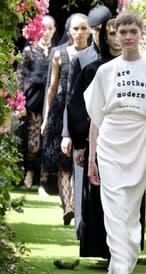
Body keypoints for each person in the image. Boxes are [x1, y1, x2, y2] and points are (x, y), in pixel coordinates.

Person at [84, 11, 146, 274]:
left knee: (131, 213)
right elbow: (95, 118)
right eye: (121, 32)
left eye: (132, 31)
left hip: (139, 141)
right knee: (113, 208)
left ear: (142, 33)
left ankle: (117, 267)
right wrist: (91, 158)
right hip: (110, 141)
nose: (126, 37)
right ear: (114, 35)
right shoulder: (105, 72)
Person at [68, 16, 120, 259]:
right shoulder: (93, 70)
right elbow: (78, 106)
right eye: (112, 33)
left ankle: (123, 249)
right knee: (99, 197)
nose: (118, 38)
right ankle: (103, 248)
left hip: (131, 144)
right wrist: (79, 143)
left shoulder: (145, 69)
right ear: (103, 37)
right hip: (98, 142)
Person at [62, 5, 113, 237]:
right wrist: (69, 134)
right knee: (83, 181)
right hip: (85, 131)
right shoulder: (82, 59)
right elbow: (71, 100)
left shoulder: (120, 58)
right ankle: (83, 230)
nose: (102, 34)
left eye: (106, 29)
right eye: (98, 30)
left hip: (112, 134)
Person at [41, 13, 90, 225]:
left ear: (89, 31)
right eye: (75, 28)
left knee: (80, 160)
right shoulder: (59, 54)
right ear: (69, 31)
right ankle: (67, 207)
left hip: (85, 112)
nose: (79, 32)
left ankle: (76, 205)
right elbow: (51, 88)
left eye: (83, 28)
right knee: (63, 162)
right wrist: (45, 117)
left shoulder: (93, 55)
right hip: (60, 110)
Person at [16, 15, 56, 193]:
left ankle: (43, 182)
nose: (45, 32)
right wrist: (20, 102)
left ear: (54, 30)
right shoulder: (30, 51)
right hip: (33, 102)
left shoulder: (57, 51)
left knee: (48, 143)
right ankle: (30, 172)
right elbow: (20, 77)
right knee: (34, 144)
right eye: (42, 28)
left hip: (52, 104)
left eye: (49, 28)